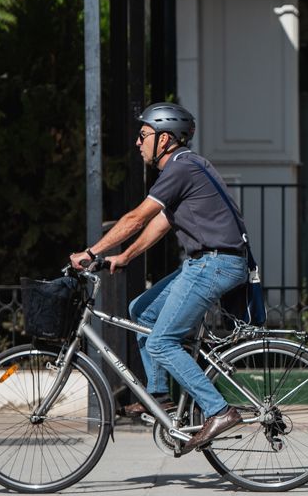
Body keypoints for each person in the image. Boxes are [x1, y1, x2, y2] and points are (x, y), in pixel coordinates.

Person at [69, 103, 251, 455]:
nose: (137, 143)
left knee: (160, 342)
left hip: (214, 264)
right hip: (206, 262)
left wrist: (91, 253)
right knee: (143, 311)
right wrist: (124, 256)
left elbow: (137, 218)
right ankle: (159, 395)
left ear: (164, 139)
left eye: (143, 136)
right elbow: (160, 223)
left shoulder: (181, 168)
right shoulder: (187, 167)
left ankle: (218, 410)